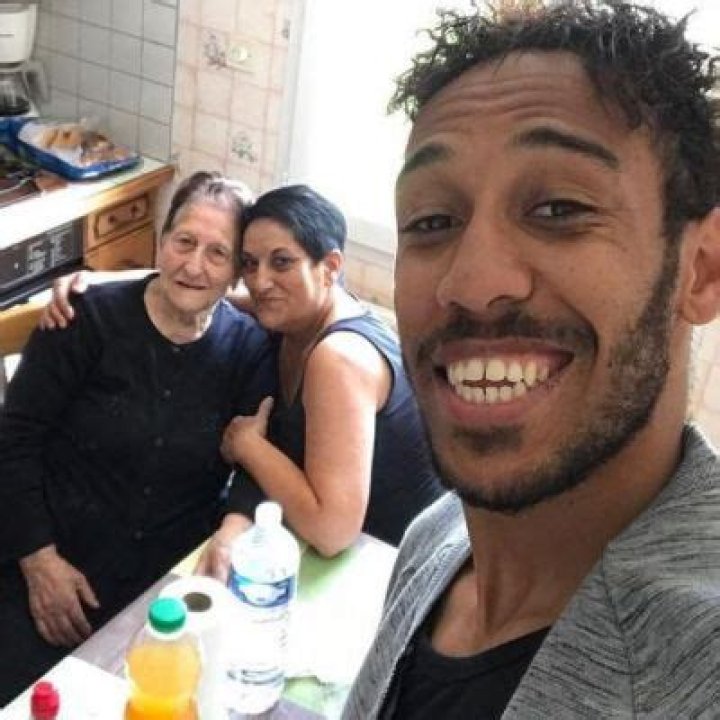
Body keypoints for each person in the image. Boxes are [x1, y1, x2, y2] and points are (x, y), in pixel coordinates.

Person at [342, 2, 720, 718]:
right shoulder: (436, 540)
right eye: (432, 220)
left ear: (700, 270)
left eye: (559, 208)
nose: (471, 283)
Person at [38, 184, 443, 571]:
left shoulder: (339, 357)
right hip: (330, 550)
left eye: (282, 262)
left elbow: (333, 532)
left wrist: (248, 446)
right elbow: (193, 289)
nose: (261, 282)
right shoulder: (293, 311)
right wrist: (95, 283)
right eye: (249, 263)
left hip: (394, 562)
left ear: (330, 267)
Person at [0, 171, 276, 703]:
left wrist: (234, 527)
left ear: (235, 274)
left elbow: (261, 463)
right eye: (184, 242)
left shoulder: (250, 350)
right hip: (48, 562)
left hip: (163, 592)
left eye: (217, 254)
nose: (194, 266)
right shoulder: (84, 318)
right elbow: (15, 441)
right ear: (160, 241)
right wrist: (39, 561)